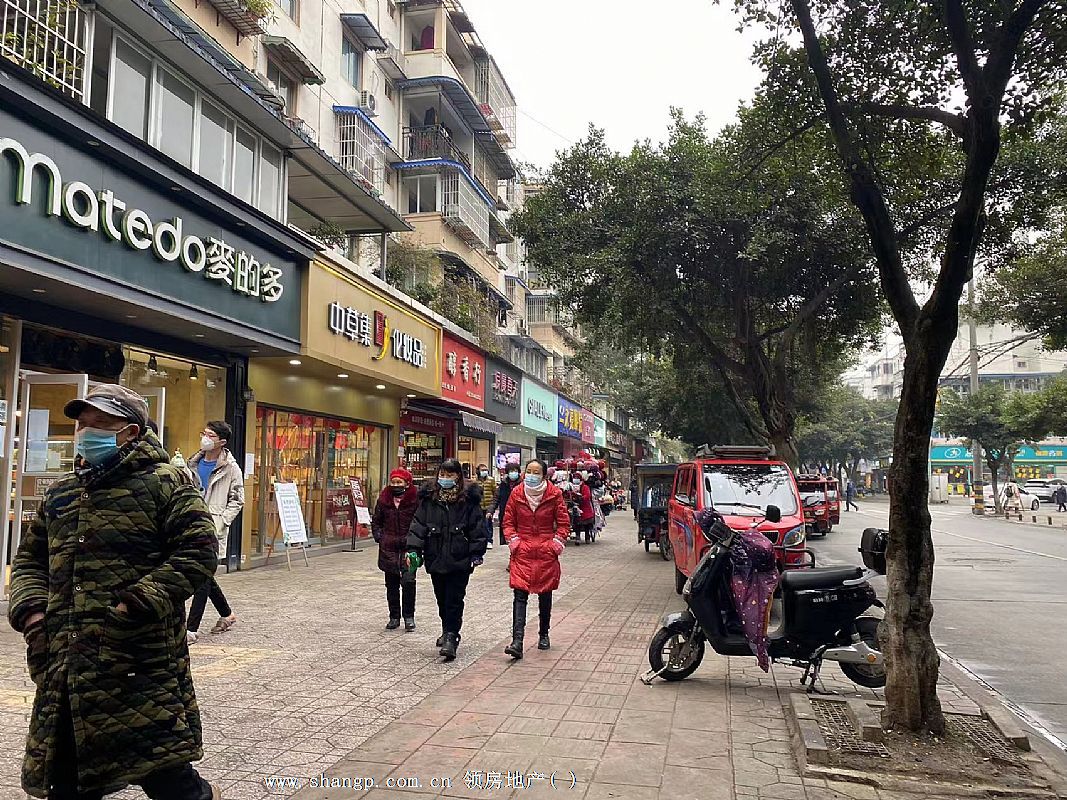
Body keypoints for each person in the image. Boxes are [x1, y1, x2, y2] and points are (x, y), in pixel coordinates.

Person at [8, 384, 220, 800]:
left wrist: (134, 604)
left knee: (167, 777)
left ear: (131, 432)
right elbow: (31, 559)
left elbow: (198, 551)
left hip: (137, 661)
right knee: (68, 780)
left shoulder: (165, 484)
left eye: (101, 424)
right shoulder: (62, 493)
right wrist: (33, 616)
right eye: (82, 425)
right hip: (66, 665)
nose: (86, 433)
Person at [406, 458, 487, 661]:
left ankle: (452, 636)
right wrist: (413, 549)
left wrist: (476, 553)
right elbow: (418, 525)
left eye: (450, 475)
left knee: (454, 599)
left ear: (458, 477)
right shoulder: (429, 499)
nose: (445, 478)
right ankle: (446, 628)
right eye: (442, 474)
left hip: (460, 558)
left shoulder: (468, 500)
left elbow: (477, 528)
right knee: (441, 598)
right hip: (435, 556)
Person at [502, 459, 570, 657]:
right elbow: (508, 521)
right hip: (522, 551)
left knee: (545, 595)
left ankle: (544, 634)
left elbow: (564, 523)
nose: (531, 476)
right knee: (519, 595)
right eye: (528, 471)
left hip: (546, 551)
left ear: (544, 475)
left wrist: (556, 544)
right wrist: (514, 541)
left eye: (536, 472)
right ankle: (517, 641)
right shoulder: (516, 493)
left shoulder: (554, 494)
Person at [186, 421, 245, 643]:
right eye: (204, 433)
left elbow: (237, 500)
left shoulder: (230, 468)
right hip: (190, 525)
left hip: (213, 528)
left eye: (210, 435)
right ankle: (227, 615)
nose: (205, 438)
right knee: (204, 574)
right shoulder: (192, 463)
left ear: (222, 441)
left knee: (202, 577)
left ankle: (190, 629)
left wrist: (222, 522)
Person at [372, 468, 420, 631]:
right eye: (393, 482)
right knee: (391, 584)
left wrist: (417, 541)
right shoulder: (384, 500)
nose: (396, 485)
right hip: (389, 547)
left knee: (409, 581)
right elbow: (376, 521)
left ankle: (409, 617)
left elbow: (421, 522)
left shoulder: (415, 500)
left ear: (407, 483)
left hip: (409, 547)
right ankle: (394, 617)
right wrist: (380, 536)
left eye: (399, 482)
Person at [488, 464, 523, 568]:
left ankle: (515, 561)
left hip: (521, 516)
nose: (513, 473)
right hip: (506, 516)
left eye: (515, 471)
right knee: (511, 539)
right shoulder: (503, 485)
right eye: (511, 471)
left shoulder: (523, 484)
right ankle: (513, 560)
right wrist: (490, 511)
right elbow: (496, 499)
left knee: (520, 539)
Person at [475, 463, 498, 550]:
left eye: (486, 470)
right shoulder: (475, 481)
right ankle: (482, 540)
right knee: (480, 524)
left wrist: (493, 506)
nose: (484, 472)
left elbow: (495, 492)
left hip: (489, 506)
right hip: (479, 506)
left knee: (488, 524)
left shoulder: (491, 480)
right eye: (482, 470)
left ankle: (489, 540)